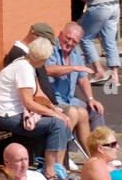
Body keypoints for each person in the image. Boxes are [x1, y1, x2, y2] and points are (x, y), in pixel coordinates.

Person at [0, 36, 71, 180]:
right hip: (7, 116)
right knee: (56, 124)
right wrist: (55, 115)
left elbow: (39, 94)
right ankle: (51, 171)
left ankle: (59, 168)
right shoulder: (24, 69)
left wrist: (55, 110)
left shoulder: (27, 65)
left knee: (62, 119)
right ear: (44, 58)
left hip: (16, 113)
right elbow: (29, 103)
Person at [44, 21, 106, 153]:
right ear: (61, 34)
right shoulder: (51, 48)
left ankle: (104, 150)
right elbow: (49, 69)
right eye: (68, 39)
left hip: (70, 99)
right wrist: (72, 68)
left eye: (75, 42)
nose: (70, 43)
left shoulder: (74, 53)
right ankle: (68, 153)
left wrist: (90, 98)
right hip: (54, 100)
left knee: (95, 110)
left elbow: (83, 77)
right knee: (75, 112)